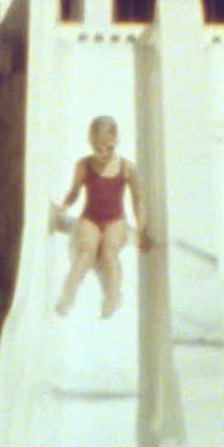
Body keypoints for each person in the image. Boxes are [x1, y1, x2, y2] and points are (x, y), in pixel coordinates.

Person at [53, 116, 152, 318]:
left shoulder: (127, 168)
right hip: (91, 217)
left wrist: (142, 230)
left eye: (107, 148)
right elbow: (74, 192)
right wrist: (62, 208)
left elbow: (137, 199)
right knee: (85, 254)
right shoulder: (84, 165)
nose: (102, 153)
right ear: (90, 142)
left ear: (115, 141)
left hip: (115, 219)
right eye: (96, 148)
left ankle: (113, 298)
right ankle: (66, 297)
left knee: (108, 252)